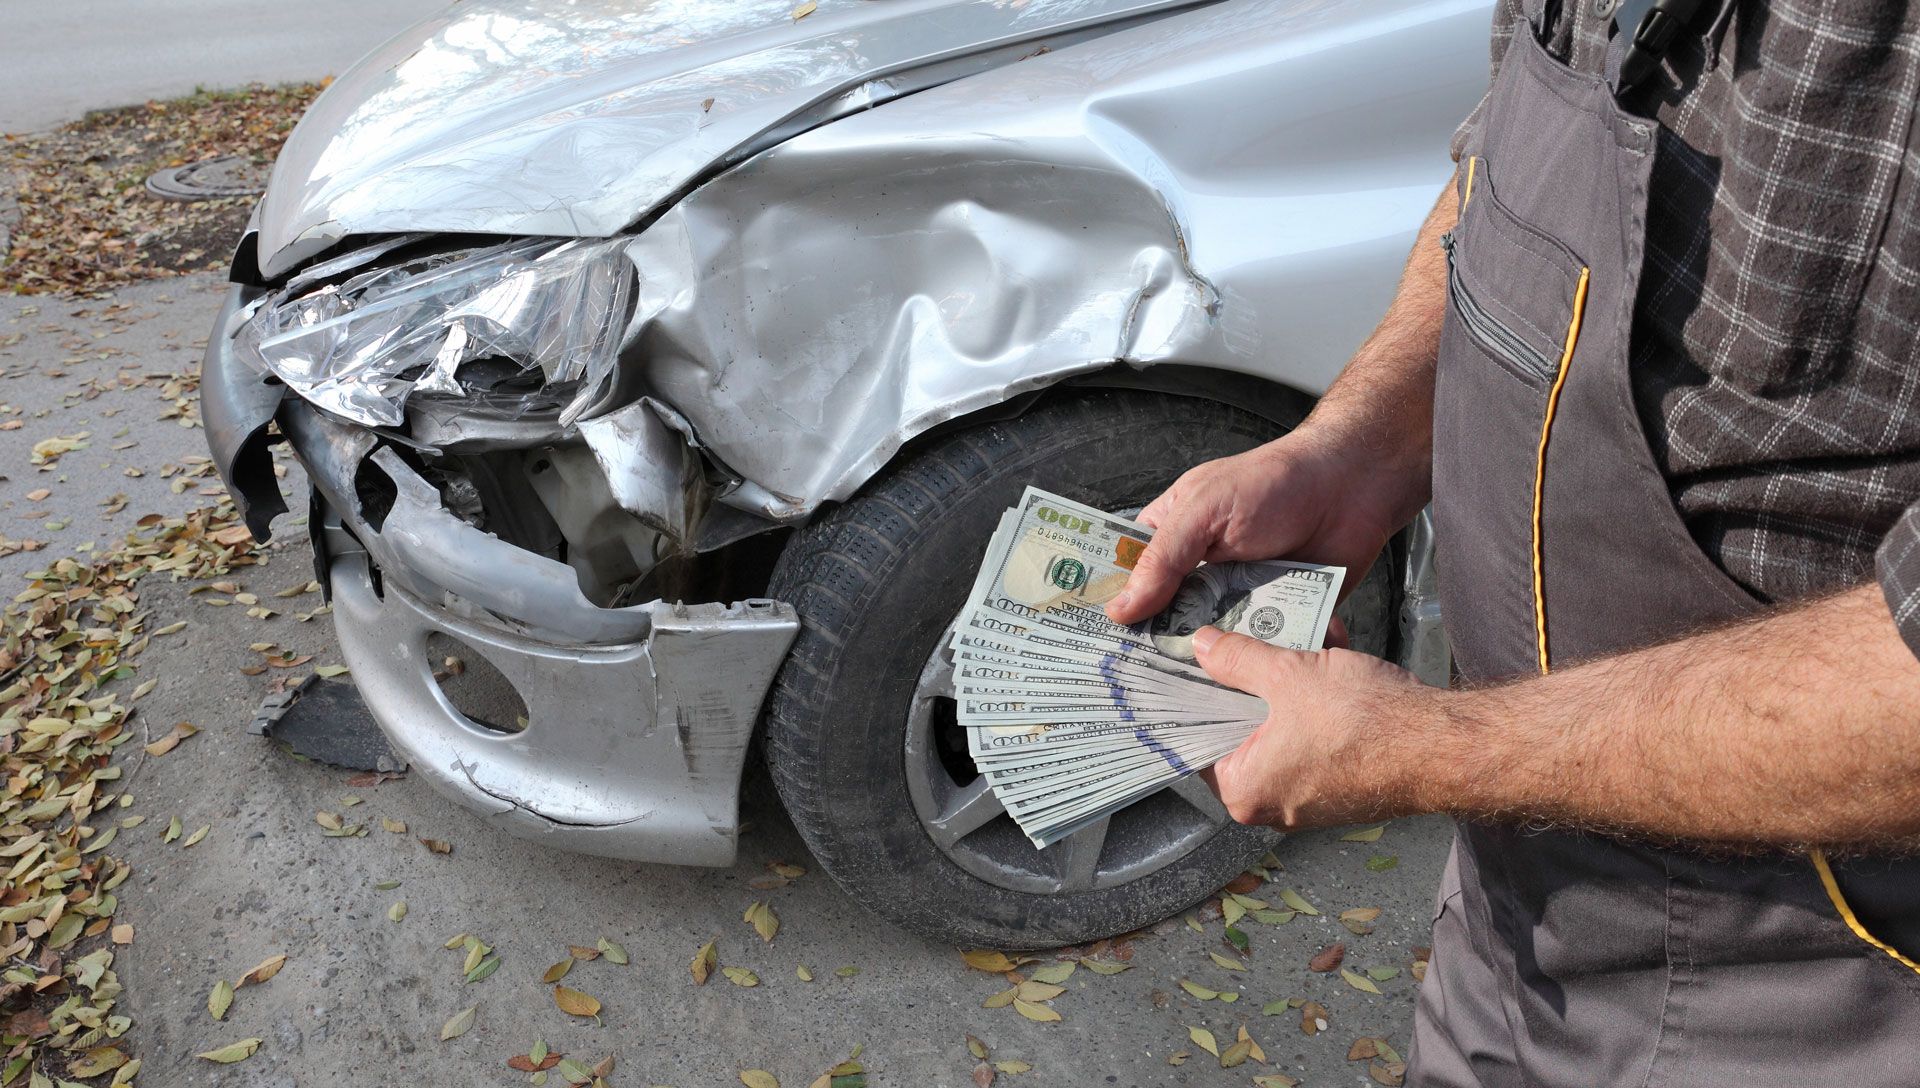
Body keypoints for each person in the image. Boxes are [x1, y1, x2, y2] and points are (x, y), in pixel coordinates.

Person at [1104, 1, 1920, 1084]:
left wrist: (1430, 750)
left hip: (1816, 1000)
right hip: (1510, 907)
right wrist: (1355, 449)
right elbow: (1509, 182)